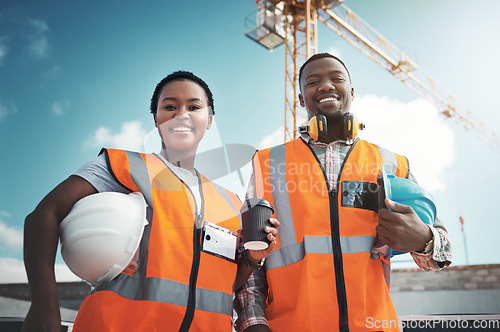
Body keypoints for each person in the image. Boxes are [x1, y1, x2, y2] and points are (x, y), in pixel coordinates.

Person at [22, 71, 279, 332]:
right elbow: (45, 214)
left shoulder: (231, 204)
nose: (182, 114)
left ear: (209, 119)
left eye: (194, 106)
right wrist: (44, 303)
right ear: (156, 118)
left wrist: (250, 261)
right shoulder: (124, 166)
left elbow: (220, 289)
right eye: (170, 106)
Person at [234, 53, 452, 332]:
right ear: (301, 98)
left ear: (352, 91)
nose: (326, 86)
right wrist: (253, 323)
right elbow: (249, 255)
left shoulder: (391, 164)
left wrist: (424, 239)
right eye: (313, 82)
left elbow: (442, 253)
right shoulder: (267, 163)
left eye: (336, 78)